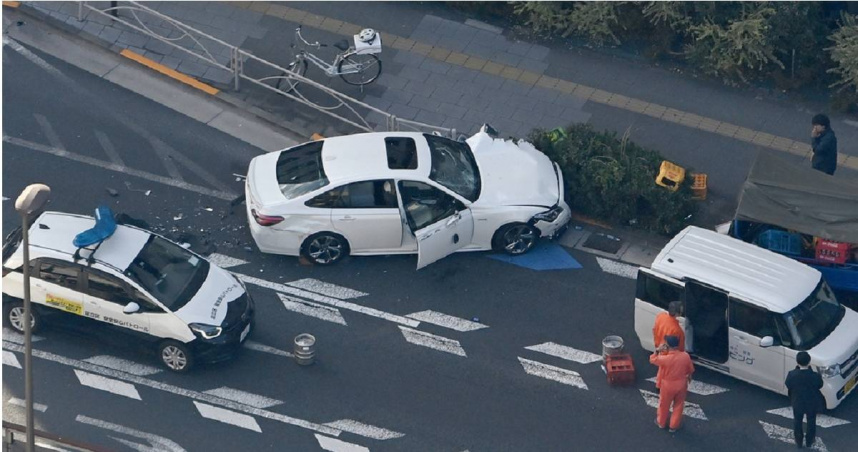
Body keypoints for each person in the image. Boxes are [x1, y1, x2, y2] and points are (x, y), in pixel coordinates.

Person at [649, 335, 694, 433]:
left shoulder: (665, 359)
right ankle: (674, 425)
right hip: (681, 384)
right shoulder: (685, 356)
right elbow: (690, 369)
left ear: (667, 346)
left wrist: (657, 351)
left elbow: (652, 359)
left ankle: (661, 422)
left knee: (664, 405)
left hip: (668, 385)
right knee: (678, 405)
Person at [785, 352, 824, 448]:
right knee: (811, 421)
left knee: (797, 421)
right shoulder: (814, 376)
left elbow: (788, 384)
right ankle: (809, 441)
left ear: (797, 362)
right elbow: (820, 385)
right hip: (811, 402)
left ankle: (798, 441)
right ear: (809, 361)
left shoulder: (792, 374)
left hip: (797, 402)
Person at [653, 301, 686, 388]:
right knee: (665, 370)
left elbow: (655, 329)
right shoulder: (677, 330)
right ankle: (660, 386)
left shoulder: (661, 316)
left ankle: (659, 385)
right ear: (677, 314)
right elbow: (680, 346)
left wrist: (657, 343)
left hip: (660, 345)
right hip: (667, 351)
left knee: (662, 368)